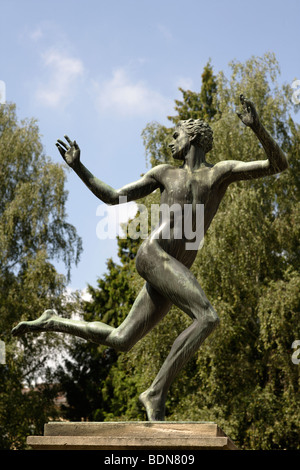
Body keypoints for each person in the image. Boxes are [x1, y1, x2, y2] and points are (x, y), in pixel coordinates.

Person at [12, 95, 288, 420]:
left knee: (121, 338)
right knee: (208, 317)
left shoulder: (219, 174)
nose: (171, 140)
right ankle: (155, 392)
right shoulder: (164, 174)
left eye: (176, 135)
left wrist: (257, 128)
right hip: (153, 255)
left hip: (173, 269)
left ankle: (52, 321)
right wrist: (79, 167)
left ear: (194, 137)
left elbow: (278, 165)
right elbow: (115, 197)